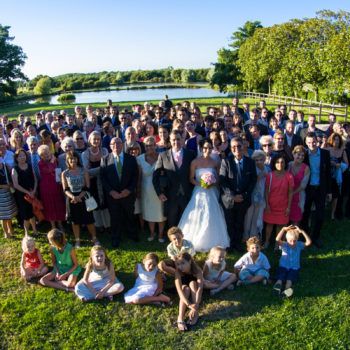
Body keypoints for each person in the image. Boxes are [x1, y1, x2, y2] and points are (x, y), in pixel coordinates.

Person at [178, 139, 230, 252]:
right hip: (199, 191)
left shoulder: (216, 162)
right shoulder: (195, 162)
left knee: (212, 214)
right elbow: (191, 179)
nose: (207, 150)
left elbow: (219, 178)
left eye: (210, 148)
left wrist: (212, 183)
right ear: (201, 149)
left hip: (212, 191)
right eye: (205, 148)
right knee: (197, 212)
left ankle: (212, 240)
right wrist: (202, 184)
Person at [219, 137, 257, 252]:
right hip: (229, 199)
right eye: (234, 147)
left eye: (239, 146)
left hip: (243, 199)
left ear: (243, 146)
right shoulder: (226, 161)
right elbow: (223, 181)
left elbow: (253, 180)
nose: (236, 149)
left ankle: (238, 244)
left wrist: (244, 195)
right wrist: (233, 196)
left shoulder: (250, 162)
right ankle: (230, 244)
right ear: (231, 148)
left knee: (240, 222)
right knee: (229, 222)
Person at [101, 137, 139, 248]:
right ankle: (116, 237)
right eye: (113, 144)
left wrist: (129, 190)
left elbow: (135, 176)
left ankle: (132, 234)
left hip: (127, 194)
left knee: (129, 215)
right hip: (113, 196)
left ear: (122, 145)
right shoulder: (105, 159)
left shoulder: (131, 159)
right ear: (110, 146)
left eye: (118, 143)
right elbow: (103, 178)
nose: (116, 145)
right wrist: (111, 192)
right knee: (115, 217)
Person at [153, 130, 195, 227]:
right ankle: (172, 239)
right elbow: (155, 176)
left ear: (182, 140)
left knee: (188, 219)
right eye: (173, 140)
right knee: (172, 220)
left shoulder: (190, 154)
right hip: (170, 194)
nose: (176, 142)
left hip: (187, 193)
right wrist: (159, 193)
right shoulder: (163, 155)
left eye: (178, 139)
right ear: (170, 141)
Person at [300, 132, 331, 248]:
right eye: (308, 142)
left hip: (320, 188)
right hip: (307, 189)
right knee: (305, 213)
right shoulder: (304, 155)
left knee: (320, 215)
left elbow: (328, 173)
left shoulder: (325, 154)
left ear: (317, 141)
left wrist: (329, 191)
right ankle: (305, 236)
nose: (311, 144)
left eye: (313, 142)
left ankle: (316, 236)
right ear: (306, 143)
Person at [61, 151, 98, 248]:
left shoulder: (83, 170)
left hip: (84, 197)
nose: (73, 160)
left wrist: (79, 196)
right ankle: (77, 240)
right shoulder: (65, 173)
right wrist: (73, 197)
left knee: (89, 219)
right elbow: (65, 189)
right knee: (75, 221)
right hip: (71, 199)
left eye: (74, 158)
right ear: (67, 161)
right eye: (70, 159)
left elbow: (87, 186)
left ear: (77, 159)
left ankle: (94, 238)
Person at [137, 136, 166, 242]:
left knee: (160, 213)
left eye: (151, 145)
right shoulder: (139, 159)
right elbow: (139, 176)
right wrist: (138, 190)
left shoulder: (162, 157)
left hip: (160, 191)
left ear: (155, 145)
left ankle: (161, 235)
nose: (149, 147)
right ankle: (152, 233)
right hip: (146, 190)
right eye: (147, 145)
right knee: (149, 212)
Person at [82, 131, 110, 232]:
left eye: (98, 139)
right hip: (92, 183)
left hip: (104, 182)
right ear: (89, 140)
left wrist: (94, 170)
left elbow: (107, 168)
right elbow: (86, 172)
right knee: (95, 204)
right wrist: (100, 169)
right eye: (94, 139)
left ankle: (108, 225)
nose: (96, 141)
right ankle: (99, 225)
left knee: (105, 203)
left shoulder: (104, 150)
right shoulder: (85, 153)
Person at [263, 155, 294, 249]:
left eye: (282, 162)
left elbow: (290, 192)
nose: (280, 164)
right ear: (274, 164)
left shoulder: (289, 176)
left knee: (281, 226)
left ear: (285, 164)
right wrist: (267, 204)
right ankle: (267, 241)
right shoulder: (270, 175)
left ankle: (278, 243)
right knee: (269, 224)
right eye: (277, 162)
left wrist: (288, 207)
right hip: (271, 205)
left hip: (283, 205)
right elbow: (266, 191)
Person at [274, 225, 312, 297]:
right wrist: (283, 229)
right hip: (283, 266)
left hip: (294, 267)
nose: (292, 243)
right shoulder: (284, 245)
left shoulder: (299, 245)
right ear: (286, 239)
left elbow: (309, 242)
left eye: (294, 241)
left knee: (290, 279)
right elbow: (277, 239)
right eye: (290, 241)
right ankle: (278, 286)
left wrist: (302, 231)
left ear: (297, 239)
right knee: (280, 277)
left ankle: (286, 290)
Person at [37, 145, 66, 229]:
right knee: (49, 206)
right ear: (41, 156)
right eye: (44, 154)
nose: (47, 155)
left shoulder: (54, 160)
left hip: (56, 185)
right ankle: (53, 226)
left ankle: (60, 223)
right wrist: (52, 162)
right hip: (46, 188)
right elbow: (49, 169)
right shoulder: (40, 163)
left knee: (58, 204)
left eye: (48, 152)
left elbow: (57, 171)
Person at [243, 150, 269, 240]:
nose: (259, 162)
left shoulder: (267, 169)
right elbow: (250, 182)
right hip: (252, 194)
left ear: (264, 159)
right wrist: (259, 177)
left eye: (261, 159)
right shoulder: (252, 169)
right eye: (256, 160)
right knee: (249, 215)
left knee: (259, 215)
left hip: (262, 193)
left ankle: (256, 235)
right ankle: (247, 235)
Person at [174, 252, 203, 331]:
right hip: (184, 289)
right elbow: (179, 290)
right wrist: (189, 305)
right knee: (185, 289)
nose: (180, 266)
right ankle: (180, 317)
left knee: (193, 283)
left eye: (183, 263)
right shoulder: (178, 272)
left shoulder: (197, 270)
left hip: (194, 287)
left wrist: (195, 306)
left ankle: (195, 313)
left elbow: (200, 288)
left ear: (189, 261)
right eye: (178, 264)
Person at [11, 149, 38, 235]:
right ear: (16, 158)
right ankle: (26, 233)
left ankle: (34, 230)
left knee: (33, 212)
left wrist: (34, 190)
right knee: (26, 215)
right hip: (22, 195)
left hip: (32, 193)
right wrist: (27, 192)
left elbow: (35, 179)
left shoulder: (30, 166)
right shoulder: (14, 169)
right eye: (20, 156)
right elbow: (16, 185)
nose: (22, 157)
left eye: (24, 155)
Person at [327, 133, 349, 220]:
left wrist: (339, 165)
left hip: (337, 177)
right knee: (328, 195)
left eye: (338, 139)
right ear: (331, 140)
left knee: (336, 196)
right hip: (328, 176)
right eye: (334, 139)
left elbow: (347, 164)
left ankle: (332, 214)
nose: (336, 141)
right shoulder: (327, 150)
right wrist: (331, 163)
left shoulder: (342, 151)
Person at [288, 146, 310, 225]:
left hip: (299, 196)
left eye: (303, 155)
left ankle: (294, 237)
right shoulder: (288, 165)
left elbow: (303, 185)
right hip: (286, 195)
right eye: (298, 154)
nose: (300, 157)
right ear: (293, 154)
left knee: (296, 220)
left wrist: (292, 193)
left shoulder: (306, 168)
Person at [0, 157, 17, 238]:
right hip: (1, 194)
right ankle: (6, 233)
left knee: (9, 213)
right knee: (3, 216)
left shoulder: (4, 165)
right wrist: (5, 186)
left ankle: (11, 229)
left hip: (8, 192)